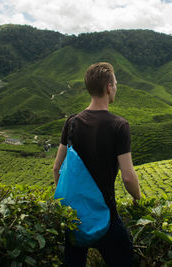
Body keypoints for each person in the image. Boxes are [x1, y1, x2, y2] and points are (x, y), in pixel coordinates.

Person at [53, 62, 141, 266]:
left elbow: (57, 168)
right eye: (116, 83)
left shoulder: (72, 122)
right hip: (105, 216)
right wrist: (138, 197)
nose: (116, 88)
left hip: (74, 217)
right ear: (109, 87)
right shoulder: (120, 125)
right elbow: (128, 177)